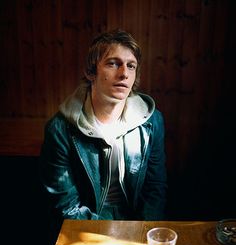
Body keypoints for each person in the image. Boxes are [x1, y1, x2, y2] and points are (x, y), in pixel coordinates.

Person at [39, 29, 167, 223]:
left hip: (136, 221)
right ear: (91, 72)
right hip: (85, 225)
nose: (124, 73)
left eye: (131, 66)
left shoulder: (152, 121)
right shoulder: (59, 130)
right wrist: (109, 236)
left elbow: (155, 188)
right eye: (113, 63)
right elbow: (65, 205)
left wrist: (142, 231)